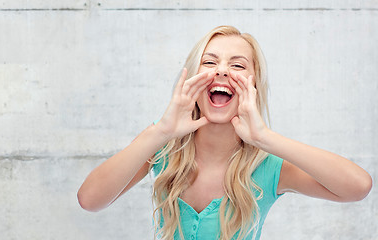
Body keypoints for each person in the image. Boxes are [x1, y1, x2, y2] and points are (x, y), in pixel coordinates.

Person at [77, 25, 372, 240]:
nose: (222, 71)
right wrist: (161, 131)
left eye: (237, 65)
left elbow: (358, 187)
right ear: (193, 79)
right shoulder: (161, 149)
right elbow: (90, 200)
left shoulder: (269, 167)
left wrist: (264, 137)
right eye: (209, 62)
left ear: (253, 87)